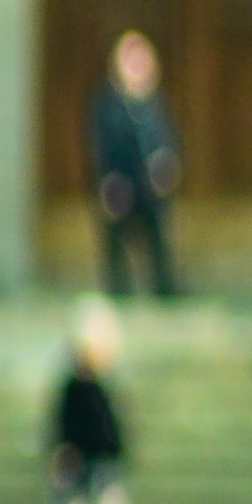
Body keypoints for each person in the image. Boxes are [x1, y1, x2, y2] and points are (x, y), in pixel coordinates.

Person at [90, 26, 182, 299]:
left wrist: (167, 165)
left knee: (157, 236)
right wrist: (107, 181)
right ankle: (118, 289)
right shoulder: (109, 104)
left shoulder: (153, 104)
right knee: (117, 240)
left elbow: (166, 139)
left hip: (149, 185)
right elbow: (102, 146)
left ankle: (164, 286)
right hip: (121, 183)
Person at [50, 299, 132, 504]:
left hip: (103, 458)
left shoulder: (101, 386)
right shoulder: (75, 387)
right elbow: (63, 425)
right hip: (80, 458)